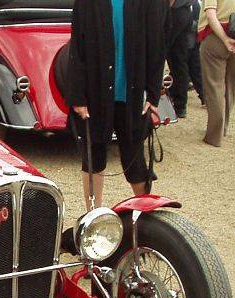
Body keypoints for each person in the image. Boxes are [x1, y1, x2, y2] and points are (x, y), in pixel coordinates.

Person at [65, 0, 167, 208]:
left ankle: (144, 215)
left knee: (135, 160)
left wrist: (153, 94)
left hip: (132, 94)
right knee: (93, 157)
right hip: (95, 92)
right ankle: (94, 216)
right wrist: (77, 97)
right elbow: (77, 47)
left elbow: (157, 44)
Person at [197, 0, 235, 147]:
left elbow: (211, 15)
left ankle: (214, 135)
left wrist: (225, 39)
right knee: (230, 84)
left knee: (214, 86)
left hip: (216, 36)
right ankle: (224, 127)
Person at [168, 0, 196, 117]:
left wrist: (167, 9)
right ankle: (180, 104)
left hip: (175, 11)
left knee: (161, 53)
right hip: (185, 12)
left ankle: (176, 101)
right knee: (179, 60)